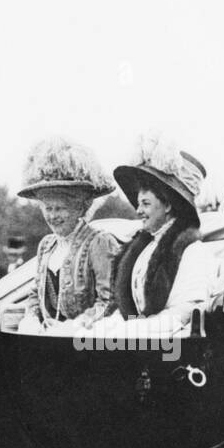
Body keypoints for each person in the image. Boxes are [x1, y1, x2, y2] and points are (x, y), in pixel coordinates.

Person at [102, 134, 212, 334]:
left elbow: (185, 312)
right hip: (138, 341)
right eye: (138, 203)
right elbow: (130, 309)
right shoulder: (144, 247)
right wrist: (108, 326)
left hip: (173, 346)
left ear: (168, 205)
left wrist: (131, 330)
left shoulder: (192, 251)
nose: (138, 211)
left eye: (146, 204)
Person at [15, 136, 119, 334]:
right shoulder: (46, 246)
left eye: (60, 208)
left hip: (87, 346)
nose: (53, 216)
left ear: (80, 207)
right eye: (47, 208)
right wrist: (31, 320)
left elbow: (110, 303)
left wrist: (75, 327)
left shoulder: (99, 243)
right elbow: (36, 295)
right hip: (48, 345)